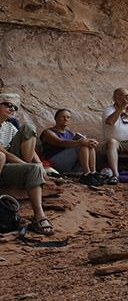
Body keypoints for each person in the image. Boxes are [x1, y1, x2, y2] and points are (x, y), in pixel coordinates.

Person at [0, 93, 53, 235]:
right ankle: (30, 170)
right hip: (2, 163)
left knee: (28, 127)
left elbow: (27, 144)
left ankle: (39, 216)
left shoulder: (9, 126)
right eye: (8, 105)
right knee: (1, 156)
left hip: (12, 164)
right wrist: (25, 165)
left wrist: (39, 164)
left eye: (15, 107)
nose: (12, 108)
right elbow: (4, 153)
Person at [41, 109, 101, 184]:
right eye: (63, 117)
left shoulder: (70, 134)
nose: (65, 119)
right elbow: (61, 142)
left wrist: (91, 142)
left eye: (68, 117)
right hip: (54, 163)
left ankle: (93, 173)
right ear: (56, 118)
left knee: (89, 145)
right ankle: (86, 174)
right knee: (82, 145)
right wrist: (80, 142)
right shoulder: (48, 132)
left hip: (70, 165)